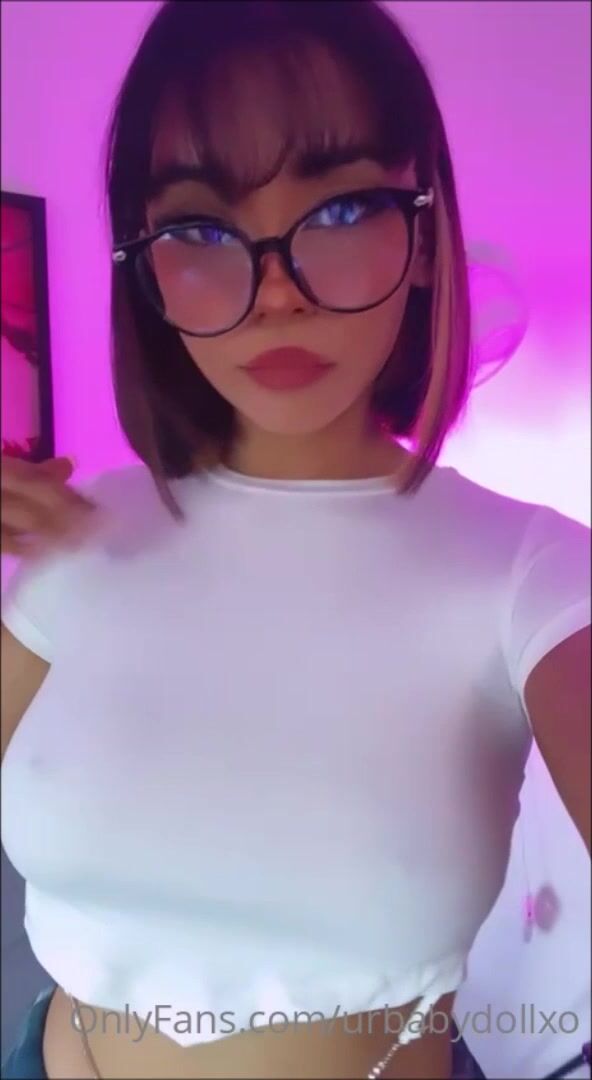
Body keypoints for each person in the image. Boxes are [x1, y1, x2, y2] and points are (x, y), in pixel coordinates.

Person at [0, 1, 590, 1078]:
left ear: (422, 235)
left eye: (342, 207)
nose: (274, 294)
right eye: (198, 227)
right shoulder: (87, 528)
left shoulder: (531, 574)